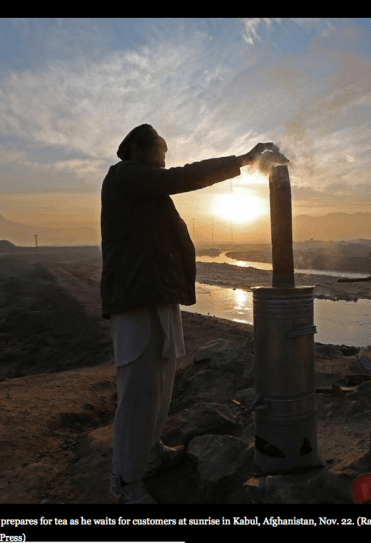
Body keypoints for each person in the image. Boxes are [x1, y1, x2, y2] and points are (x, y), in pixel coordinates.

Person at [101, 123, 286, 504]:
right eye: (161, 152)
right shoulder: (125, 177)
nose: (165, 160)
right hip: (137, 300)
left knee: (161, 383)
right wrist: (244, 160)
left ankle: (148, 454)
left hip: (157, 295)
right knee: (139, 392)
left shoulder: (143, 189)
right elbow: (185, 177)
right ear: (137, 149)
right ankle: (124, 481)